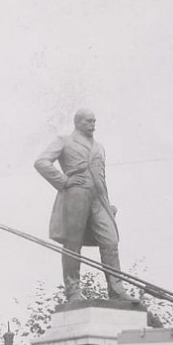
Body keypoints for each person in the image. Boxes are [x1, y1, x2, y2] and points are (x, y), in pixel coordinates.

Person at [34, 107, 133, 303]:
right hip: (75, 195)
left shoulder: (99, 147)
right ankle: (73, 292)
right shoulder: (64, 141)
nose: (93, 125)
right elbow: (41, 162)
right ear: (77, 122)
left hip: (99, 199)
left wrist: (108, 204)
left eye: (94, 121)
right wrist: (63, 181)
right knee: (73, 244)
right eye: (88, 121)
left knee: (110, 241)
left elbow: (101, 178)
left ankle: (116, 289)